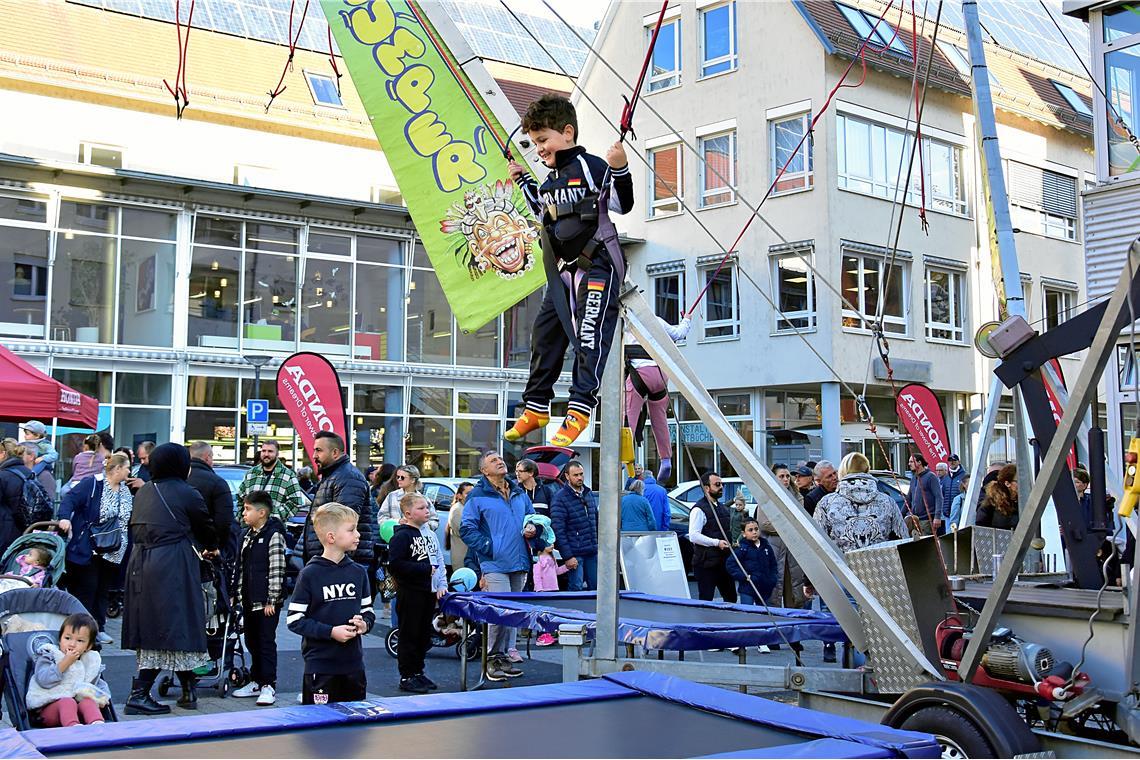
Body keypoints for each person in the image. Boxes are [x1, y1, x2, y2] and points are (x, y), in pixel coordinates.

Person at [504, 93, 635, 447]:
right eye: (534, 144)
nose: (540, 149)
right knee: (544, 333)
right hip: (563, 271)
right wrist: (522, 180)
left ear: (567, 132)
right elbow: (543, 212)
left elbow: (623, 204)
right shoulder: (550, 181)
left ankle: (579, 409)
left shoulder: (592, 167)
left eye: (543, 140)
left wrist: (620, 167)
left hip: (598, 265)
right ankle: (537, 405)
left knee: (590, 335)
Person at [122, 443, 217, 715]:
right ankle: (139, 694)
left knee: (163, 624)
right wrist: (213, 547)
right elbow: (206, 527)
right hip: (172, 563)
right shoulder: (188, 493)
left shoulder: (144, 491)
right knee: (176, 622)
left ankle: (189, 691)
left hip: (140, 563)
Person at [288, 502, 375, 705]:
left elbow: (368, 611)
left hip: (353, 665)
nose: (358, 534)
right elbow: (294, 620)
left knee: (355, 725)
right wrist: (331, 632)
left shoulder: (358, 572)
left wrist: (365, 624)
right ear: (331, 537)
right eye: (351, 529)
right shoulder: (310, 574)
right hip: (321, 667)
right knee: (320, 727)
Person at [459, 451, 536, 681]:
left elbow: (532, 517)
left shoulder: (518, 491)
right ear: (484, 470)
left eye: (501, 458)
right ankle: (491, 660)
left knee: (512, 614)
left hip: (519, 560)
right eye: (493, 461)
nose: (500, 461)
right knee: (499, 612)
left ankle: (502, 657)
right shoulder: (478, 496)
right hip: (495, 563)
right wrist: (489, 547)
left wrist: (534, 529)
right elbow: (466, 529)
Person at [58, 452, 133, 644]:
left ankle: (99, 627)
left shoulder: (126, 489)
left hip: (115, 550)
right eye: (126, 467)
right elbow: (69, 500)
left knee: (103, 589)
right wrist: (64, 518)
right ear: (117, 468)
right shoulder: (92, 484)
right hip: (90, 547)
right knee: (87, 589)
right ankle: (82, 630)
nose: (129, 471)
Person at [230, 491, 286, 707]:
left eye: (247, 509)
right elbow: (240, 566)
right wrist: (235, 593)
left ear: (261, 512)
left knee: (265, 642)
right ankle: (255, 680)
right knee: (251, 641)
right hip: (248, 599)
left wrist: (273, 599)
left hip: (266, 602)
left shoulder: (273, 534)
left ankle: (268, 684)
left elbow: (277, 568)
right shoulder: (247, 535)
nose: (243, 513)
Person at [388, 492, 446, 694]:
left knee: (423, 635)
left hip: (427, 592)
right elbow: (395, 565)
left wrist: (440, 584)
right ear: (408, 513)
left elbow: (437, 559)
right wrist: (423, 569)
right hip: (410, 592)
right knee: (409, 635)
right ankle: (407, 675)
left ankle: (418, 672)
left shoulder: (428, 534)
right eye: (421, 508)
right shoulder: (402, 536)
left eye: (427, 507)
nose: (427, 511)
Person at [623, 316, 691, 481]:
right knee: (659, 420)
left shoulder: (625, 322)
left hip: (639, 374)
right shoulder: (656, 321)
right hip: (660, 376)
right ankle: (666, 459)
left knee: (628, 419)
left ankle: (623, 459)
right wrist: (687, 320)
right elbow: (679, 333)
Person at [301, 432, 373, 567]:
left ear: (335, 452)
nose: (314, 456)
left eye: (319, 450)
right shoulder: (334, 476)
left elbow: (345, 525)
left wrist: (337, 565)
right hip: (332, 561)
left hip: (338, 564)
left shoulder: (347, 478)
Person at [26, 613, 109, 727]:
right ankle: (73, 728)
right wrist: (65, 663)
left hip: (79, 711)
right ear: (60, 640)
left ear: (88, 646)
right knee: (67, 702)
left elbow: (98, 684)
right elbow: (43, 680)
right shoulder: (50, 656)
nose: (72, 644)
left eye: (80, 641)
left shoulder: (88, 662)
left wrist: (102, 698)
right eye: (67, 638)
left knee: (88, 702)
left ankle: (98, 725)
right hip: (49, 709)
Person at [814, 452, 907, 553]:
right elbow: (904, 538)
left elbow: (817, 541)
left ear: (842, 472)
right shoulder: (888, 501)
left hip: (842, 566)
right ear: (867, 469)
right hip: (880, 564)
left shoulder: (827, 503)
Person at [756, 463, 807, 613]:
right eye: (781, 476)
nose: (785, 479)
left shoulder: (797, 496)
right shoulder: (765, 496)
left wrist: (784, 524)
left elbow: (801, 522)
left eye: (787, 476)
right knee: (774, 593)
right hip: (774, 548)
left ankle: (795, 633)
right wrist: (789, 527)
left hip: (793, 550)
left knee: (794, 593)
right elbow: (764, 524)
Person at [549, 460, 599, 591]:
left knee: (597, 588)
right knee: (576, 588)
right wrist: (567, 556)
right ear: (567, 476)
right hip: (574, 553)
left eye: (581, 474)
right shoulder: (559, 498)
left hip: (592, 551)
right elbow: (558, 530)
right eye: (575, 475)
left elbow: (596, 521)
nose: (580, 478)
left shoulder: (588, 494)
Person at [688, 471, 737, 603]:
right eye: (717, 484)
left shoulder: (722, 508)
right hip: (706, 564)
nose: (721, 487)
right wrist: (716, 542)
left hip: (723, 563)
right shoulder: (698, 509)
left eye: (721, 484)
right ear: (706, 488)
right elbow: (693, 536)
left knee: (731, 598)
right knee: (706, 600)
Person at [236, 440, 309, 523]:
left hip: (274, 530)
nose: (266, 454)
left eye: (270, 451)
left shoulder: (288, 475)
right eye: (264, 451)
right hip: (250, 528)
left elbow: (295, 502)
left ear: (277, 454)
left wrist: (274, 517)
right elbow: (240, 498)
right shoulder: (251, 474)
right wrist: (241, 519)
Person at [187, 441, 238, 560]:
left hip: (182, 547)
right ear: (207, 457)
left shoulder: (180, 479)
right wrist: (215, 547)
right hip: (207, 549)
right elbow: (224, 522)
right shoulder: (217, 483)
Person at [727, 518, 777, 606]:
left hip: (764, 587)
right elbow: (730, 564)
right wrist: (744, 576)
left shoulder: (767, 547)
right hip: (748, 588)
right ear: (743, 534)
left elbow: (773, 565)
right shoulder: (742, 549)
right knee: (747, 612)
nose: (754, 532)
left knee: (764, 614)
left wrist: (772, 579)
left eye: (756, 529)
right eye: (750, 530)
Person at [377, 465, 436, 529]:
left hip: (418, 537)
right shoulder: (392, 496)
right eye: (397, 477)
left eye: (402, 477)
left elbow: (434, 521)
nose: (399, 479)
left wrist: (420, 526)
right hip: (396, 536)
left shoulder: (424, 499)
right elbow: (381, 518)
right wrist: (398, 522)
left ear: (413, 480)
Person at [0, 438, 33, 548]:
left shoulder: (2, 476)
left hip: (4, 531)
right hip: (25, 530)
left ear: (2, 454)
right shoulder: (29, 473)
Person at [905, 453, 943, 536]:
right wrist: (900, 515)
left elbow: (939, 497)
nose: (909, 464)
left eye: (911, 462)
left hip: (926, 520)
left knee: (926, 545)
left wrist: (937, 517)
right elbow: (908, 499)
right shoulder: (914, 479)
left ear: (919, 462)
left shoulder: (931, 477)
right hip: (914, 520)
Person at [977, 463, 1019, 529]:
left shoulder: (1023, 501)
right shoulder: (990, 504)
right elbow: (981, 528)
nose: (1022, 485)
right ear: (1007, 483)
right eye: (1018, 481)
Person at [446, 481, 474, 572]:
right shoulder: (457, 510)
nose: (471, 496)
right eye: (468, 493)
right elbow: (465, 532)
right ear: (459, 496)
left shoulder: (469, 508)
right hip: (463, 557)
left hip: (470, 557)